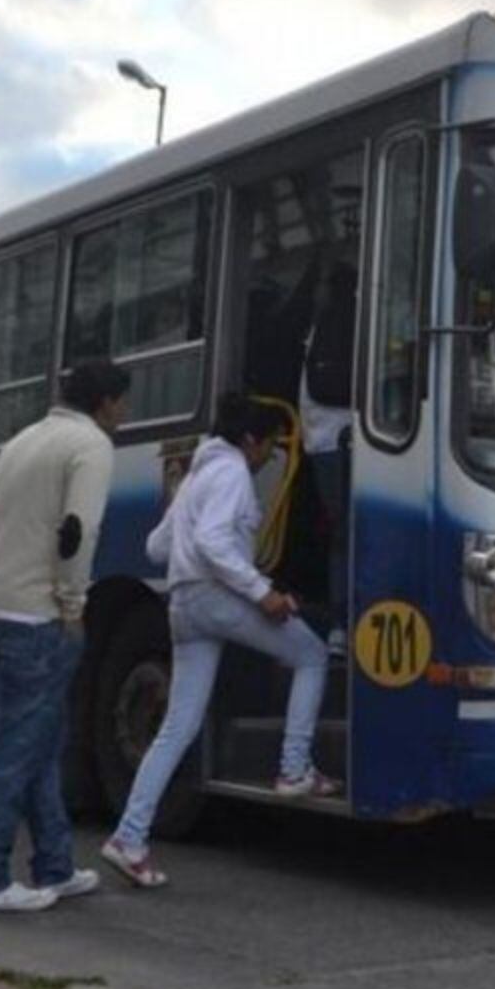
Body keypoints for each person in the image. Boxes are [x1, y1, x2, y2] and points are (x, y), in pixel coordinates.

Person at [100, 394, 337, 890]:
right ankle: (294, 768)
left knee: (177, 728)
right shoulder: (231, 472)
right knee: (311, 655)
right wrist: (261, 592)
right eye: (269, 446)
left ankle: (129, 837)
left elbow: (156, 546)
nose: (269, 456)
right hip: (218, 598)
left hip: (183, 606)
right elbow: (212, 543)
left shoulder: (196, 475)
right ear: (249, 440)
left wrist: (190, 542)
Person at [0, 359, 130, 914]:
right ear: (105, 402)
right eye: (123, 402)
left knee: (39, 743)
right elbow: (77, 532)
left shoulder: (22, 440)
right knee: (17, 749)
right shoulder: (91, 445)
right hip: (37, 615)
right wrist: (72, 605)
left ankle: (55, 865)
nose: (125, 413)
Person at [299, 259, 356, 644]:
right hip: (334, 440)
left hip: (328, 441)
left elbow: (322, 386)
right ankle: (343, 620)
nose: (316, 291)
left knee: (342, 532)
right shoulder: (338, 319)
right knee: (346, 532)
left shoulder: (331, 321)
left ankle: (341, 622)